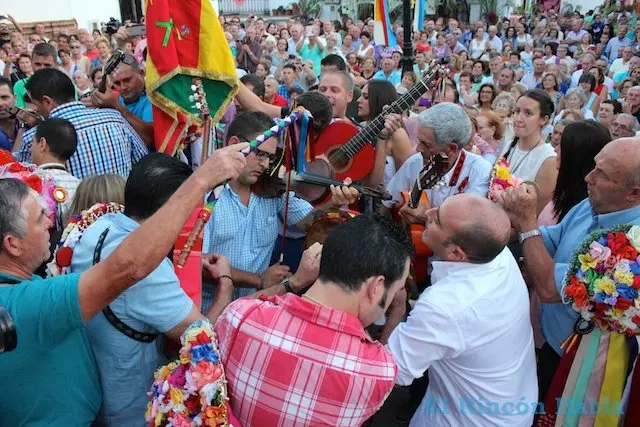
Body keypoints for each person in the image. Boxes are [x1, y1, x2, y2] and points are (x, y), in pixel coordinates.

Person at [0, 143, 248, 426]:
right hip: (129, 412)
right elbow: (134, 271)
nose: (51, 224)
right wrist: (225, 285)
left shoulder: (96, 227)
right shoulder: (25, 302)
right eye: (41, 218)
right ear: (12, 245)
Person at [215, 214, 413, 426]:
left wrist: (294, 282)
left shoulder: (240, 316)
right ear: (376, 287)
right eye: (395, 290)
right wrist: (399, 309)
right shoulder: (379, 371)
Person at [497, 137, 640, 401]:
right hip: (547, 343)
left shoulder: (631, 246)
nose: (588, 177)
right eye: (595, 166)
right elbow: (550, 239)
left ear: (634, 193)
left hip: (578, 367)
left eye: (603, 174)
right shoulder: (594, 203)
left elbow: (550, 288)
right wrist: (498, 226)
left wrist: (527, 221)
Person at [386, 193, 537, 427]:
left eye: (437, 219)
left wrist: (396, 309)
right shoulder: (496, 253)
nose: (427, 213)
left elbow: (389, 372)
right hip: (511, 405)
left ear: (456, 253)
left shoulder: (445, 307)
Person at [202, 111, 359, 306]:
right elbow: (201, 264)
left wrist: (334, 202)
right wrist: (258, 279)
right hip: (208, 310)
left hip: (253, 311)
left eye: (270, 157)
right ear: (234, 143)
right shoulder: (206, 195)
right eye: (259, 153)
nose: (266, 165)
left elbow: (307, 223)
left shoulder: (272, 191)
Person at [16, 68, 148, 179]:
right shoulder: (114, 119)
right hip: (124, 208)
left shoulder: (34, 138)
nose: (34, 109)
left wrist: (23, 126)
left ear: (47, 102)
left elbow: (19, 186)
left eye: (34, 104)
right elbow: (143, 162)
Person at [381, 103, 492, 218]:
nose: (419, 149)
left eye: (426, 144)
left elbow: (467, 223)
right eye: (419, 141)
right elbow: (387, 204)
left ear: (451, 148)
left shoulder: (480, 171)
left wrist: (427, 218)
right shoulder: (415, 162)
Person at [500, 89, 557, 213]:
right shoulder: (509, 145)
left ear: (543, 119)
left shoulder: (549, 160)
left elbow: (536, 213)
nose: (519, 118)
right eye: (517, 111)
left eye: (528, 113)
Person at [88, 54, 153, 148]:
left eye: (127, 80)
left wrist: (116, 107)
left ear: (142, 73)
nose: (123, 88)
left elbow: (148, 139)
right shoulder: (117, 98)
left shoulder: (154, 98)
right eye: (117, 83)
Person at [30, 118, 79, 220]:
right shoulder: (81, 187)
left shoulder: (28, 184)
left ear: (42, 144)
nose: (31, 148)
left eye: (32, 143)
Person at [13, 42, 56, 108]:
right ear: (31, 62)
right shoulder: (19, 86)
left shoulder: (66, 84)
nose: (42, 68)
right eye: (38, 64)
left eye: (47, 65)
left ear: (55, 65)